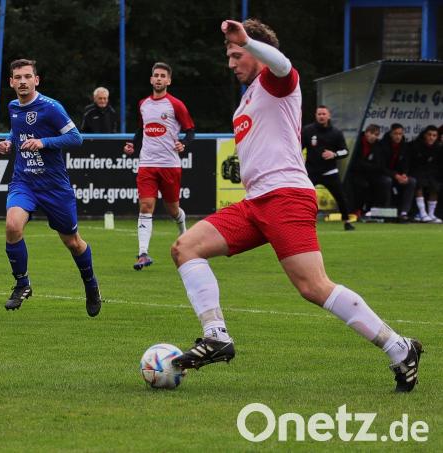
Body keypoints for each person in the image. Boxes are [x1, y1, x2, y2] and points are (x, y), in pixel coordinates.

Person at [169, 20, 421, 392]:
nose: (231, 62)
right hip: (256, 203)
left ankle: (400, 348)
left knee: (314, 287)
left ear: (255, 52)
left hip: (286, 197)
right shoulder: (249, 95)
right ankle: (216, 336)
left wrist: (249, 42)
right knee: (185, 247)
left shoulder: (275, 81)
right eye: (229, 55)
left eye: (237, 54)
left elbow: (284, 66)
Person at [0, 59, 102, 317]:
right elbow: (17, 132)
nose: (22, 81)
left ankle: (91, 285)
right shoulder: (13, 107)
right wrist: (8, 142)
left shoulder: (51, 107)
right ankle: (22, 284)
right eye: (17, 77)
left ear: (36, 80)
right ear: (11, 82)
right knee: (12, 226)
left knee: (73, 243)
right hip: (25, 182)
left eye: (27, 76)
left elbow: (76, 138)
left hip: (54, 186)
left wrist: (43, 142)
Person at [122, 62, 195, 270]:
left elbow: (191, 130)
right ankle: (143, 253)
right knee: (146, 207)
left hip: (170, 164)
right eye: (156, 75)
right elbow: (141, 130)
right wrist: (132, 145)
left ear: (169, 80)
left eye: (163, 75)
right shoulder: (143, 104)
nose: (159, 78)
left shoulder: (176, 105)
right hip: (147, 163)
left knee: (173, 210)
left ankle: (184, 235)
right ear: (151, 79)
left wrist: (184, 143)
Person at [302, 105, 354, 230]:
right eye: (319, 114)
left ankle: (347, 221)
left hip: (329, 172)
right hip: (311, 171)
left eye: (324, 114)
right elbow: (298, 148)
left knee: (340, 196)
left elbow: (345, 151)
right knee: (302, 196)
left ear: (329, 116)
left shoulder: (336, 133)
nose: (321, 116)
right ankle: (298, 221)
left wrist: (334, 154)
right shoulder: (307, 130)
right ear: (316, 115)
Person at [375, 123, 416, 222]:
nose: (398, 136)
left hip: (398, 175)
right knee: (387, 181)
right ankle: (387, 211)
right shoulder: (381, 145)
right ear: (390, 134)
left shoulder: (405, 146)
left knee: (412, 181)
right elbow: (381, 167)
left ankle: (404, 212)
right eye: (395, 134)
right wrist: (395, 175)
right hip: (382, 174)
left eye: (400, 134)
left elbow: (406, 163)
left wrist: (404, 175)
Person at [346, 124, 389, 216]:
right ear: (366, 133)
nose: (374, 136)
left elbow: (379, 165)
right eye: (372, 133)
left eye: (376, 134)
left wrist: (367, 165)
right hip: (356, 173)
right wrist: (368, 165)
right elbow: (354, 162)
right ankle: (357, 209)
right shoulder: (357, 142)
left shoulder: (378, 146)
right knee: (361, 184)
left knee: (385, 182)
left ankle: (376, 209)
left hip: (371, 174)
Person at [409, 125, 441, 223]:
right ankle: (422, 213)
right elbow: (412, 163)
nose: (431, 137)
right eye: (429, 135)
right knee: (419, 183)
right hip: (416, 171)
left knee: (435, 185)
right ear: (424, 135)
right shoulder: (415, 145)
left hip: (431, 172)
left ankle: (431, 214)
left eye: (434, 135)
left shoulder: (438, 147)